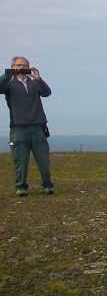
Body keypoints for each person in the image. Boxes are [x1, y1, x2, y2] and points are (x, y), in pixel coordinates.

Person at [2, 56, 53, 196]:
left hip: (37, 127)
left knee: (43, 159)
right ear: (13, 67)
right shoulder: (8, 84)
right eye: (18, 65)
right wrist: (8, 74)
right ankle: (21, 186)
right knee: (20, 160)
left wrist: (38, 78)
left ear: (28, 67)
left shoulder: (34, 83)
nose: (21, 67)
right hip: (18, 128)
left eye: (24, 65)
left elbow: (47, 93)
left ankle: (47, 184)